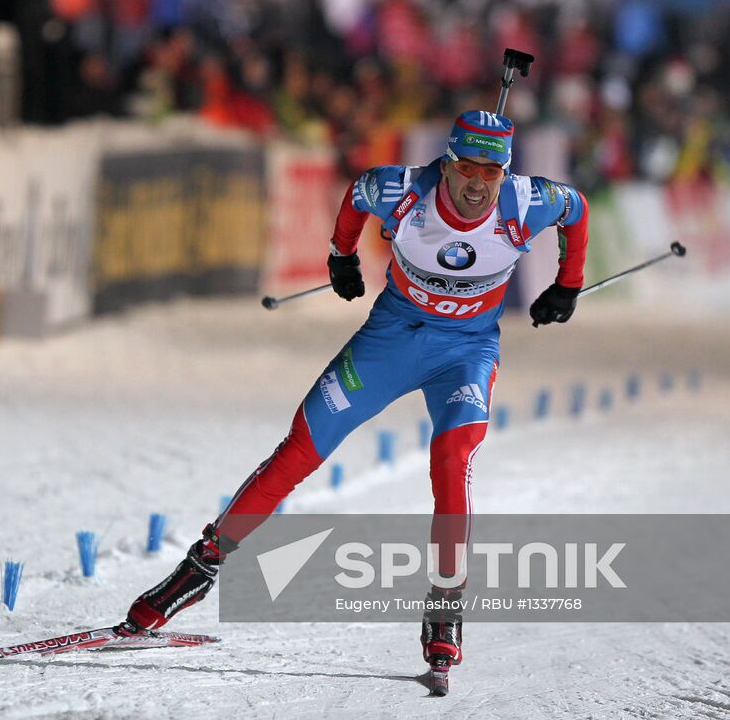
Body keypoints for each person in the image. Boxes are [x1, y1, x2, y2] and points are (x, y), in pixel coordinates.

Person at [121, 109, 590, 673]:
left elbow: (577, 209)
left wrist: (568, 284)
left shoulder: (526, 201)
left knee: (451, 458)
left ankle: (446, 605)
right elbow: (356, 196)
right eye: (467, 167)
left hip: (464, 354)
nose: (477, 184)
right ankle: (197, 571)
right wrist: (341, 256)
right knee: (300, 448)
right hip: (390, 342)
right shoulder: (401, 190)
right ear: (447, 163)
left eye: (492, 172)